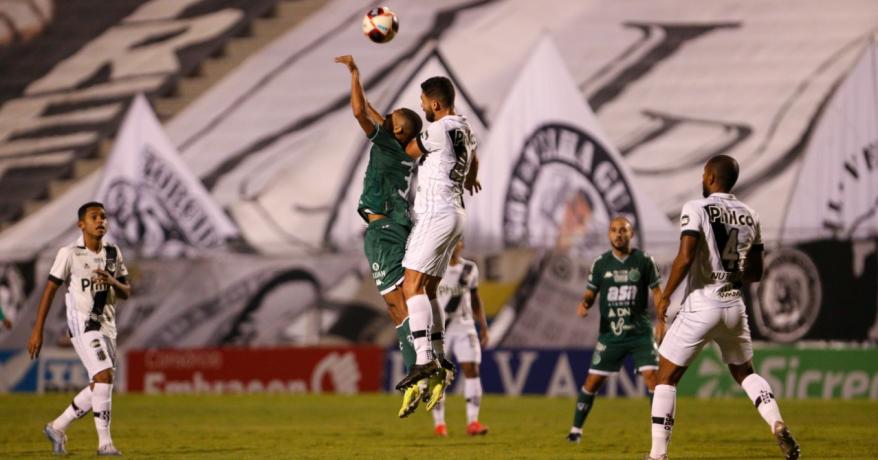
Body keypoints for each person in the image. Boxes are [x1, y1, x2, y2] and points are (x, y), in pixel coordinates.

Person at [645, 155, 800, 460]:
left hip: (702, 303)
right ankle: (776, 422)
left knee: (666, 377)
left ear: (712, 177)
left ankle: (657, 455)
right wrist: (729, 272)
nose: (702, 179)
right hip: (733, 306)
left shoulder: (696, 208)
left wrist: (665, 296)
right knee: (745, 373)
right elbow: (756, 274)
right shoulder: (750, 215)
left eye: (704, 174)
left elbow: (686, 256)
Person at [334, 55, 425, 417]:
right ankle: (421, 366)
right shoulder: (401, 147)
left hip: (384, 229)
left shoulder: (388, 145)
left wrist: (355, 75)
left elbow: (360, 112)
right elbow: (374, 113)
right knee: (404, 300)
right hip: (398, 222)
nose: (384, 120)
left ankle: (420, 369)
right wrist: (363, 83)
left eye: (391, 121)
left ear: (398, 132)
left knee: (397, 304)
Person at [395, 76, 481, 416]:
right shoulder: (465, 127)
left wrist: (398, 132)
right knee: (429, 288)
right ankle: (440, 355)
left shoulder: (438, 128)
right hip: (456, 213)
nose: (420, 106)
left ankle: (423, 361)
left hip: (436, 213)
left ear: (435, 104)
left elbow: (408, 150)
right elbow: (474, 157)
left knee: (410, 284)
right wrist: (471, 174)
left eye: (422, 101)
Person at [28, 202, 131, 456]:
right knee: (104, 376)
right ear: (81, 224)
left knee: (100, 384)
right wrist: (37, 330)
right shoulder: (69, 253)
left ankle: (57, 426)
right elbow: (50, 290)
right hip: (84, 325)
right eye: (94, 217)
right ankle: (105, 444)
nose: (101, 221)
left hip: (108, 326)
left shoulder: (112, 253)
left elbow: (127, 292)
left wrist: (112, 281)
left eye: (104, 217)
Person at [566, 216, 663, 444]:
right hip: (611, 334)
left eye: (623, 231)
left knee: (653, 378)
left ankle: (658, 434)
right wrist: (585, 303)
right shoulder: (601, 264)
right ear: (609, 234)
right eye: (614, 230)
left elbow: (658, 293)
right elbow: (591, 292)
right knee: (592, 382)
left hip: (640, 333)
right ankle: (575, 430)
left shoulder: (644, 261)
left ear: (631, 234)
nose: (619, 234)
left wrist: (662, 321)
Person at [430, 239, 489, 437]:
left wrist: (484, 326)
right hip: (441, 329)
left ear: (462, 244)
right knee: (439, 375)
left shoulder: (470, 269)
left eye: (458, 241)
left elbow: (475, 298)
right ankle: (439, 424)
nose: (454, 245)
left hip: (465, 327)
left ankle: (473, 422)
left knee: (472, 370)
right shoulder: (434, 268)